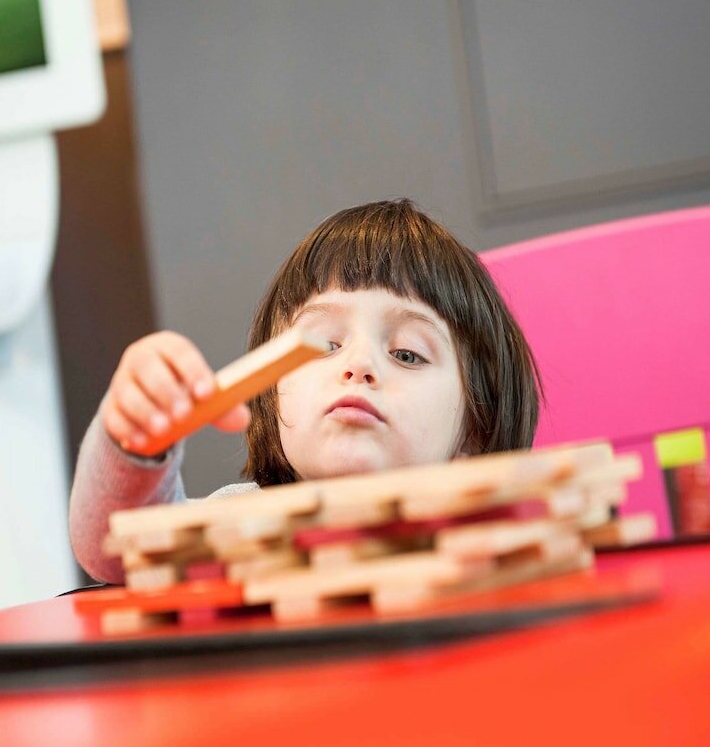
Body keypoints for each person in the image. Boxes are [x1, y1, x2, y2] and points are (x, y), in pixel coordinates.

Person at [69, 199, 541, 582]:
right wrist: (133, 443)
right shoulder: (239, 526)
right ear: (273, 394)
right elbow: (118, 549)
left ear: (474, 431)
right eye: (324, 345)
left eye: (407, 354)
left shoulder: (500, 545)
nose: (358, 365)